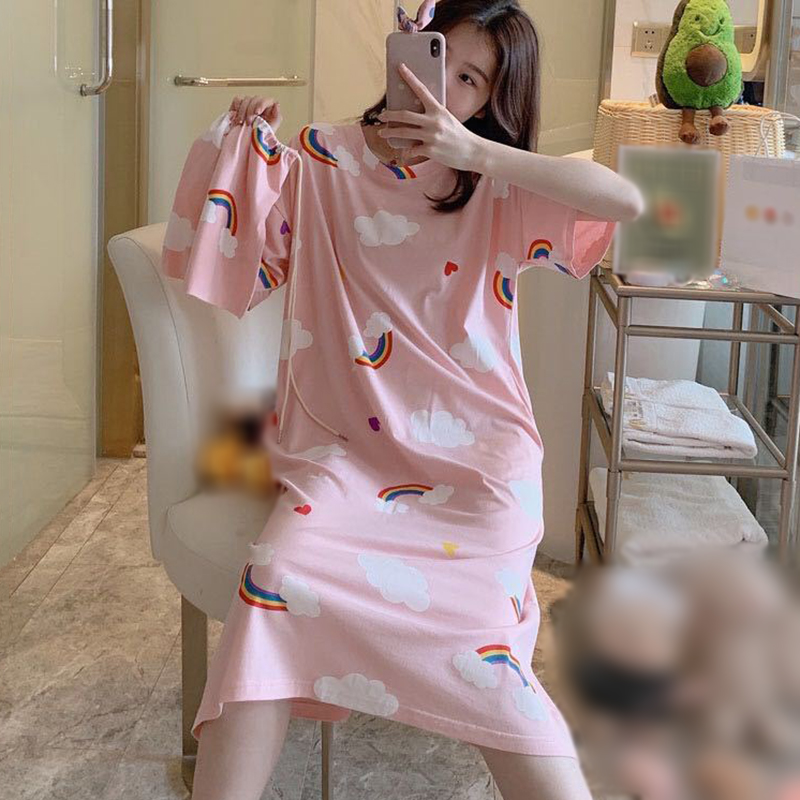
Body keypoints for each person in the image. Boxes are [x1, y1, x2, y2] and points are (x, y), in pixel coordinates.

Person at [181, 2, 643, 798]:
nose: (442, 87)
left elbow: (624, 202)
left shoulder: (497, 185)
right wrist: (241, 148)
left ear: (495, 99)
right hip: (347, 459)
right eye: (436, 59)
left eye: (471, 79)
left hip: (481, 464)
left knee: (486, 649)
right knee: (275, 578)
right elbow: (235, 263)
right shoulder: (321, 160)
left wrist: (480, 154)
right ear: (403, 54)